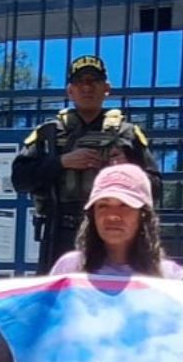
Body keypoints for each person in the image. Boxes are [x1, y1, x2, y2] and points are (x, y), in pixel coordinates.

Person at [11, 55, 159, 273]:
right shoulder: (49, 133)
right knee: (57, 298)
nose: (87, 88)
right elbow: (20, 180)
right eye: (80, 82)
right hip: (60, 232)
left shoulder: (127, 134)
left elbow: (155, 189)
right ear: (70, 90)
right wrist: (61, 162)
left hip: (114, 234)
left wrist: (127, 170)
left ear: (107, 88)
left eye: (94, 81)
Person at [47, 163, 183, 281]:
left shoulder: (171, 278)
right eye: (103, 205)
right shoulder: (70, 269)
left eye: (125, 205)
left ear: (143, 215)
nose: (112, 216)